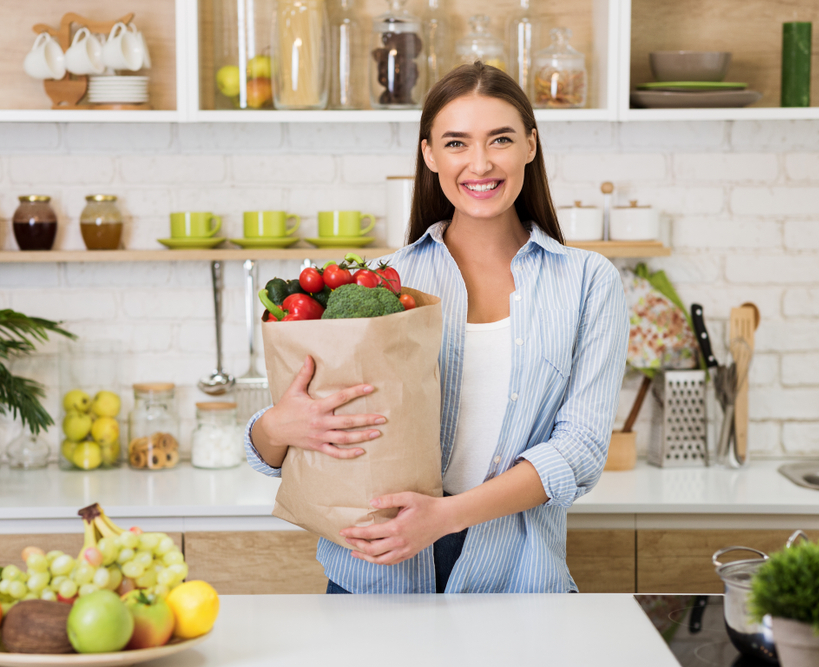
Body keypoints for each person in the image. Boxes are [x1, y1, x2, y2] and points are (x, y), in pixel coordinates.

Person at [245, 62, 629, 594]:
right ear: (428, 154)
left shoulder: (588, 282)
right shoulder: (384, 283)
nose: (480, 163)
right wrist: (275, 428)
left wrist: (446, 517)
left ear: (530, 146)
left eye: (500, 139)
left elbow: (581, 449)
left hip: (515, 579)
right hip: (374, 576)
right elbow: (284, 447)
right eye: (456, 143)